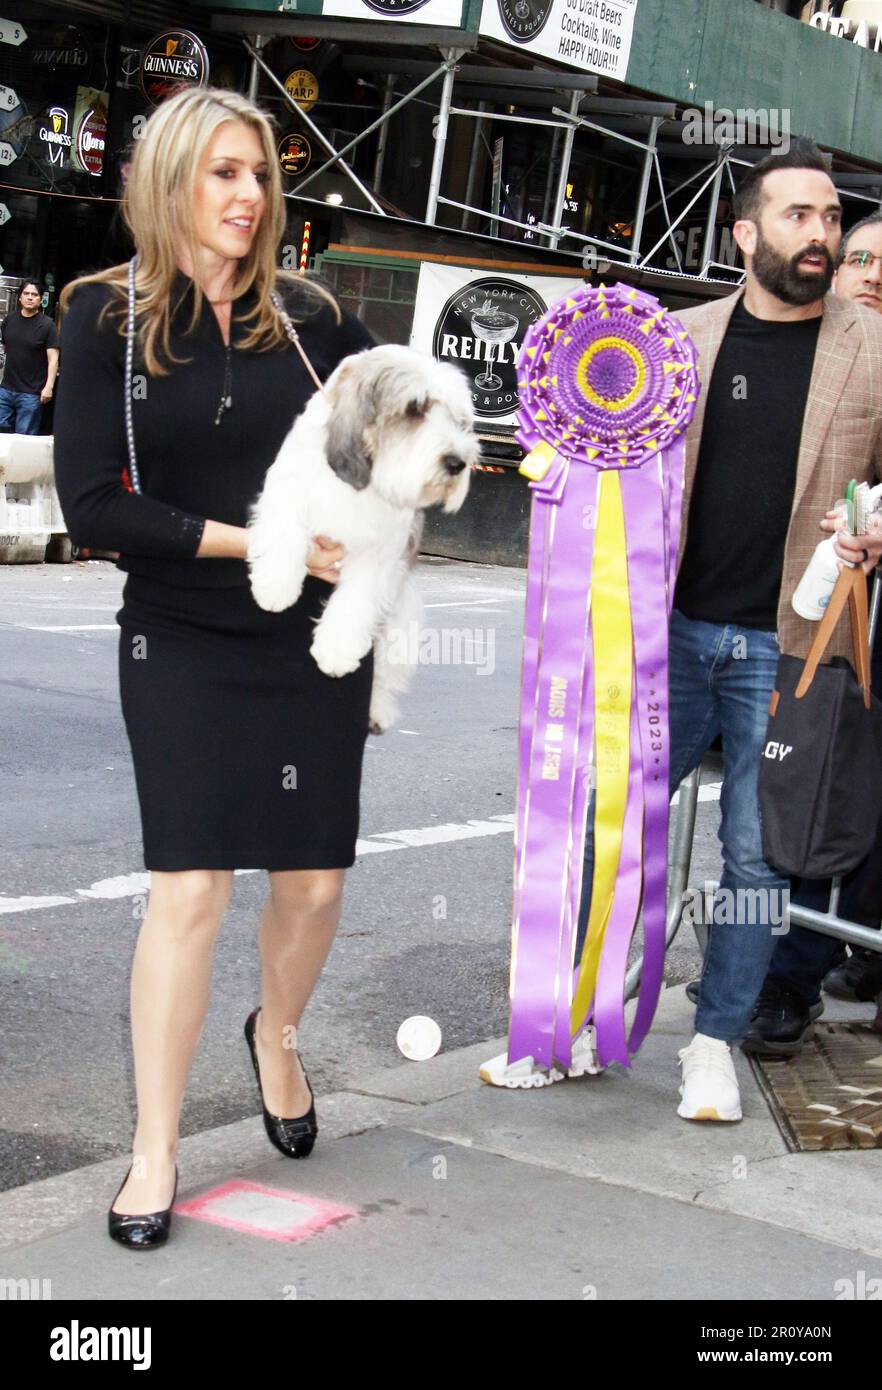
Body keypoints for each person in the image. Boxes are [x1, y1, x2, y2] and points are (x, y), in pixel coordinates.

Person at [53, 86, 374, 1250]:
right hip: (181, 634)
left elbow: (374, 450)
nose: (247, 196)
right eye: (223, 172)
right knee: (191, 888)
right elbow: (93, 505)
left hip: (311, 634)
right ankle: (155, 1150)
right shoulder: (104, 319)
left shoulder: (314, 318)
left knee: (316, 884)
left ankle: (275, 1033)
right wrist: (258, 542)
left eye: (259, 176)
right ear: (171, 180)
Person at [577, 138, 882, 1122]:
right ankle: (580, 1008)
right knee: (615, 825)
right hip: (669, 631)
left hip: (789, 651)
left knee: (756, 858)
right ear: (746, 232)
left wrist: (872, 528)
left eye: (832, 218)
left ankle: (712, 1039)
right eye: (800, 216)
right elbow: (608, 457)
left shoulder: (872, 350)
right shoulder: (679, 336)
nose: (822, 234)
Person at [742, 210, 882, 1056]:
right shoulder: (817, 359)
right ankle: (775, 972)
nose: (868, 272)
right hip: (819, 630)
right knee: (807, 801)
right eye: (860, 257)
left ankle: (802, 966)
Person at [0, 280, 58, 434]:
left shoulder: (48, 325)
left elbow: (53, 359)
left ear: (40, 299)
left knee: (24, 439)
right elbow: (5, 350)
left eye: (34, 294)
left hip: (31, 393)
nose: (30, 297)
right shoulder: (9, 320)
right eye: (26, 293)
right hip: (5, 390)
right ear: (20, 297)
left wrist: (49, 387)